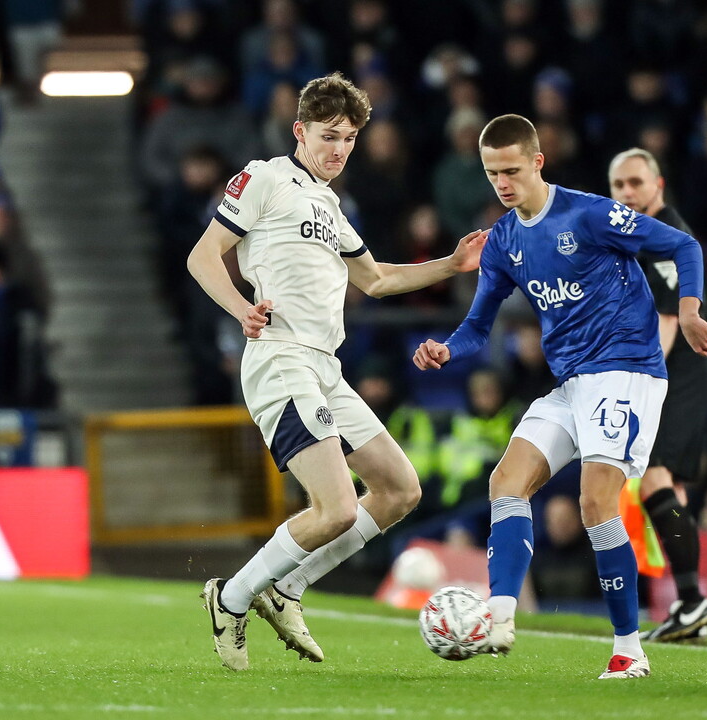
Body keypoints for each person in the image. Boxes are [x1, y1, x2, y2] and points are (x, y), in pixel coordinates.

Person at [187, 72, 487, 672]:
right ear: (300, 131)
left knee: (400, 489)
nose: (341, 148)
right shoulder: (266, 177)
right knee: (338, 508)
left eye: (350, 137)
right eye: (329, 135)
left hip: (326, 368)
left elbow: (375, 280)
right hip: (282, 359)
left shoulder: (330, 204)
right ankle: (234, 597)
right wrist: (243, 308)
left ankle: (289, 588)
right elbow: (202, 256)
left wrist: (452, 265)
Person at [413, 114, 707, 679]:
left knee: (595, 503)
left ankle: (629, 649)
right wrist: (447, 351)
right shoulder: (505, 238)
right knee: (505, 482)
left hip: (627, 372)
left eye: (510, 170)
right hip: (572, 382)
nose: (502, 183)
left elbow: (683, 245)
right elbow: (478, 326)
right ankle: (499, 621)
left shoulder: (590, 213)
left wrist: (692, 311)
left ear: (537, 162)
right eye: (491, 173)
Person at [607, 148, 707, 642]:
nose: (627, 193)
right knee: (669, 487)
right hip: (667, 372)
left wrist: (637, 380)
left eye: (635, 183)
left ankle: (694, 602)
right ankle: (690, 606)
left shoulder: (667, 235)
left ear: (658, 184)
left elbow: (668, 322)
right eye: (618, 186)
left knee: (653, 478)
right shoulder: (634, 236)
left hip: (675, 372)